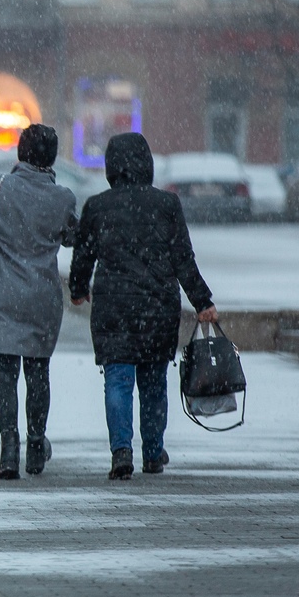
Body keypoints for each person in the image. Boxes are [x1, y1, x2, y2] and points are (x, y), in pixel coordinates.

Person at [68, 132, 216, 480]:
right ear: (147, 164)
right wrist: (202, 301)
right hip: (157, 307)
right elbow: (183, 259)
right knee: (153, 383)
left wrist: (77, 289)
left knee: (118, 380)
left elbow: (83, 256)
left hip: (112, 308)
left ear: (110, 167)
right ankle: (152, 452)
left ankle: (121, 452)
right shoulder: (166, 205)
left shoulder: (97, 206)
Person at [0, 124, 78, 480]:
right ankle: (36, 443)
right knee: (38, 373)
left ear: (21, 152)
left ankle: (9, 448)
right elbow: (71, 237)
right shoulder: (64, 197)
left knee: (4, 374)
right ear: (51, 156)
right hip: (42, 297)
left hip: (1, 297)